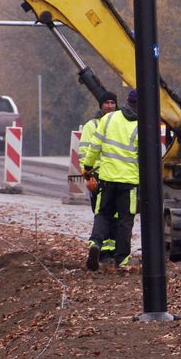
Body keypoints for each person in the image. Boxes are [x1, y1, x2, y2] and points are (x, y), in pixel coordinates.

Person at [82, 88, 140, 271]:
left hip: (106, 178)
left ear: (127, 102)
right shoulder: (142, 125)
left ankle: (95, 243)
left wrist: (88, 168)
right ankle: (121, 259)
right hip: (129, 181)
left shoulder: (108, 119)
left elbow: (94, 147)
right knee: (125, 220)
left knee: (103, 213)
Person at [79, 91, 118, 261]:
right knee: (102, 213)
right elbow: (84, 153)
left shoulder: (119, 124)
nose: (109, 106)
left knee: (113, 215)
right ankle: (102, 250)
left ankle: (109, 250)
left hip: (115, 176)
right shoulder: (91, 126)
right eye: (106, 103)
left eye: (112, 103)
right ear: (100, 106)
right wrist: (89, 177)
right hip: (98, 176)